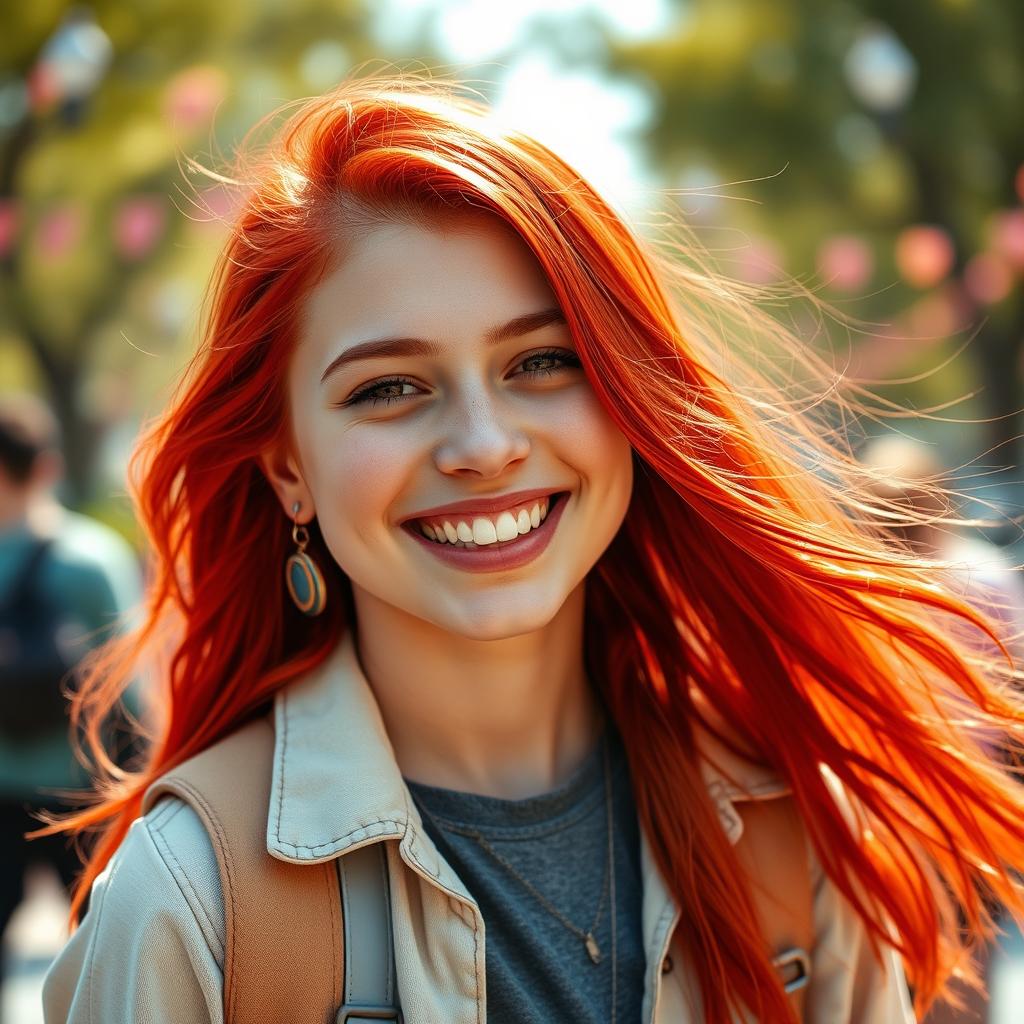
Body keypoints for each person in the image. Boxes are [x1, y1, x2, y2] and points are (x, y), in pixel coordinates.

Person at [37, 72, 1024, 1024]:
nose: (484, 444)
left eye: (542, 362)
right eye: (388, 387)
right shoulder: (190, 903)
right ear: (288, 465)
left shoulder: (785, 820)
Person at [0, 392, 142, 1001]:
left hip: (1, 790)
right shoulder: (91, 560)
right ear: (46, 468)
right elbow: (127, 685)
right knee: (98, 957)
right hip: (80, 793)